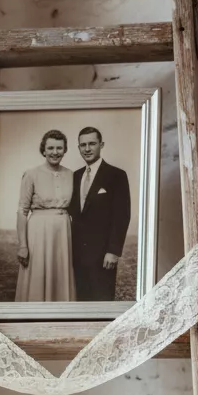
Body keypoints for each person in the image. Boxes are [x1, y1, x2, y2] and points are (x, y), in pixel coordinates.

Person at [68, 125, 131, 301]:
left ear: (101, 145)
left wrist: (113, 251)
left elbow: (122, 215)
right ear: (78, 147)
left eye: (92, 144)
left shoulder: (116, 175)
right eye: (83, 145)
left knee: (102, 300)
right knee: (79, 301)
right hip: (76, 253)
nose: (87, 149)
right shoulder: (75, 176)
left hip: (102, 255)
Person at [15, 129, 75, 302]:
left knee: (61, 273)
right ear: (43, 150)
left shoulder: (71, 175)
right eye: (50, 148)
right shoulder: (31, 174)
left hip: (63, 232)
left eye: (59, 148)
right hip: (38, 232)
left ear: (65, 150)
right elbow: (22, 210)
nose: (55, 152)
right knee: (37, 274)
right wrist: (23, 246)